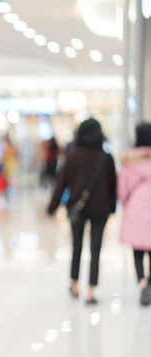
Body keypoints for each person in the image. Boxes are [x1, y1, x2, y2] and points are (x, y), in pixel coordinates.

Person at [47, 118, 117, 304]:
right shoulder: (106, 157)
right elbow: (113, 187)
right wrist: (112, 209)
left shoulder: (72, 155)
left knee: (76, 246)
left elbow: (60, 184)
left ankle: (75, 284)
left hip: (77, 207)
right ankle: (91, 291)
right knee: (96, 249)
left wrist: (51, 208)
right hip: (101, 208)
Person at [117, 122, 151, 304]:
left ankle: (142, 281)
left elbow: (122, 190)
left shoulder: (129, 161)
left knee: (137, 249)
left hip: (135, 208)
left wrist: (126, 203)